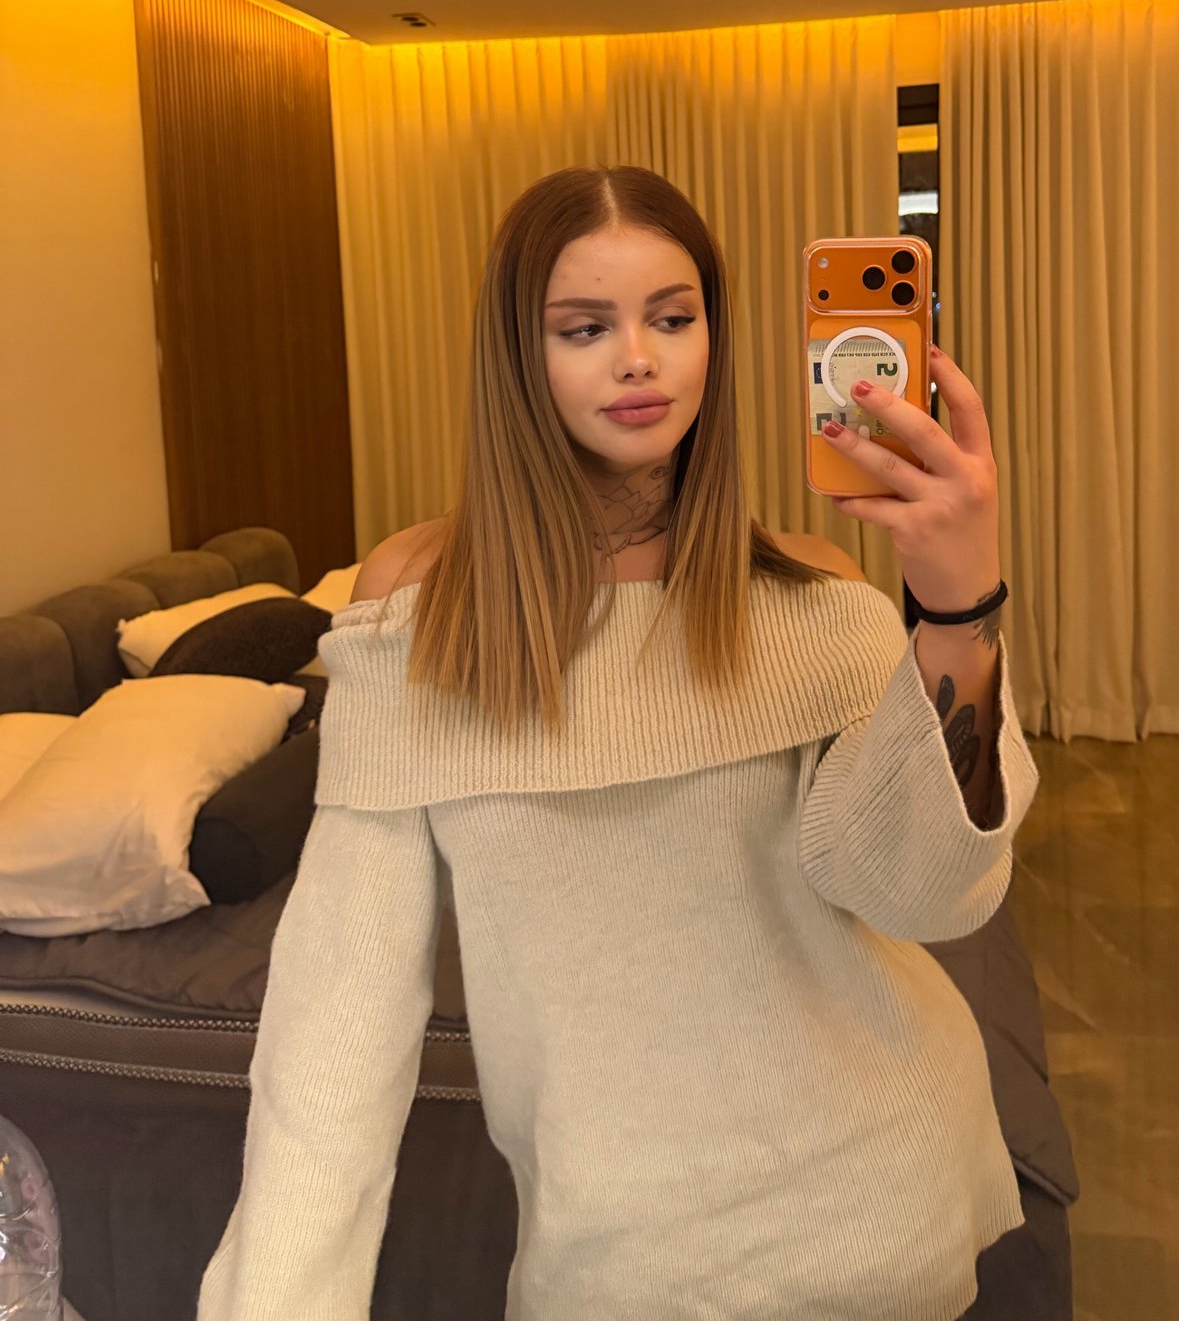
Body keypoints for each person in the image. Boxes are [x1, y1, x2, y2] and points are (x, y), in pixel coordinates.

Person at [198, 163, 1050, 1321]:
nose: (639, 359)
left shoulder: (810, 596)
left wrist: (957, 612)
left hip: (877, 1200)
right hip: (613, 1252)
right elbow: (338, 1018)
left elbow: (927, 894)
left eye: (673, 317)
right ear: (519, 355)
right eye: (585, 327)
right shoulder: (420, 612)